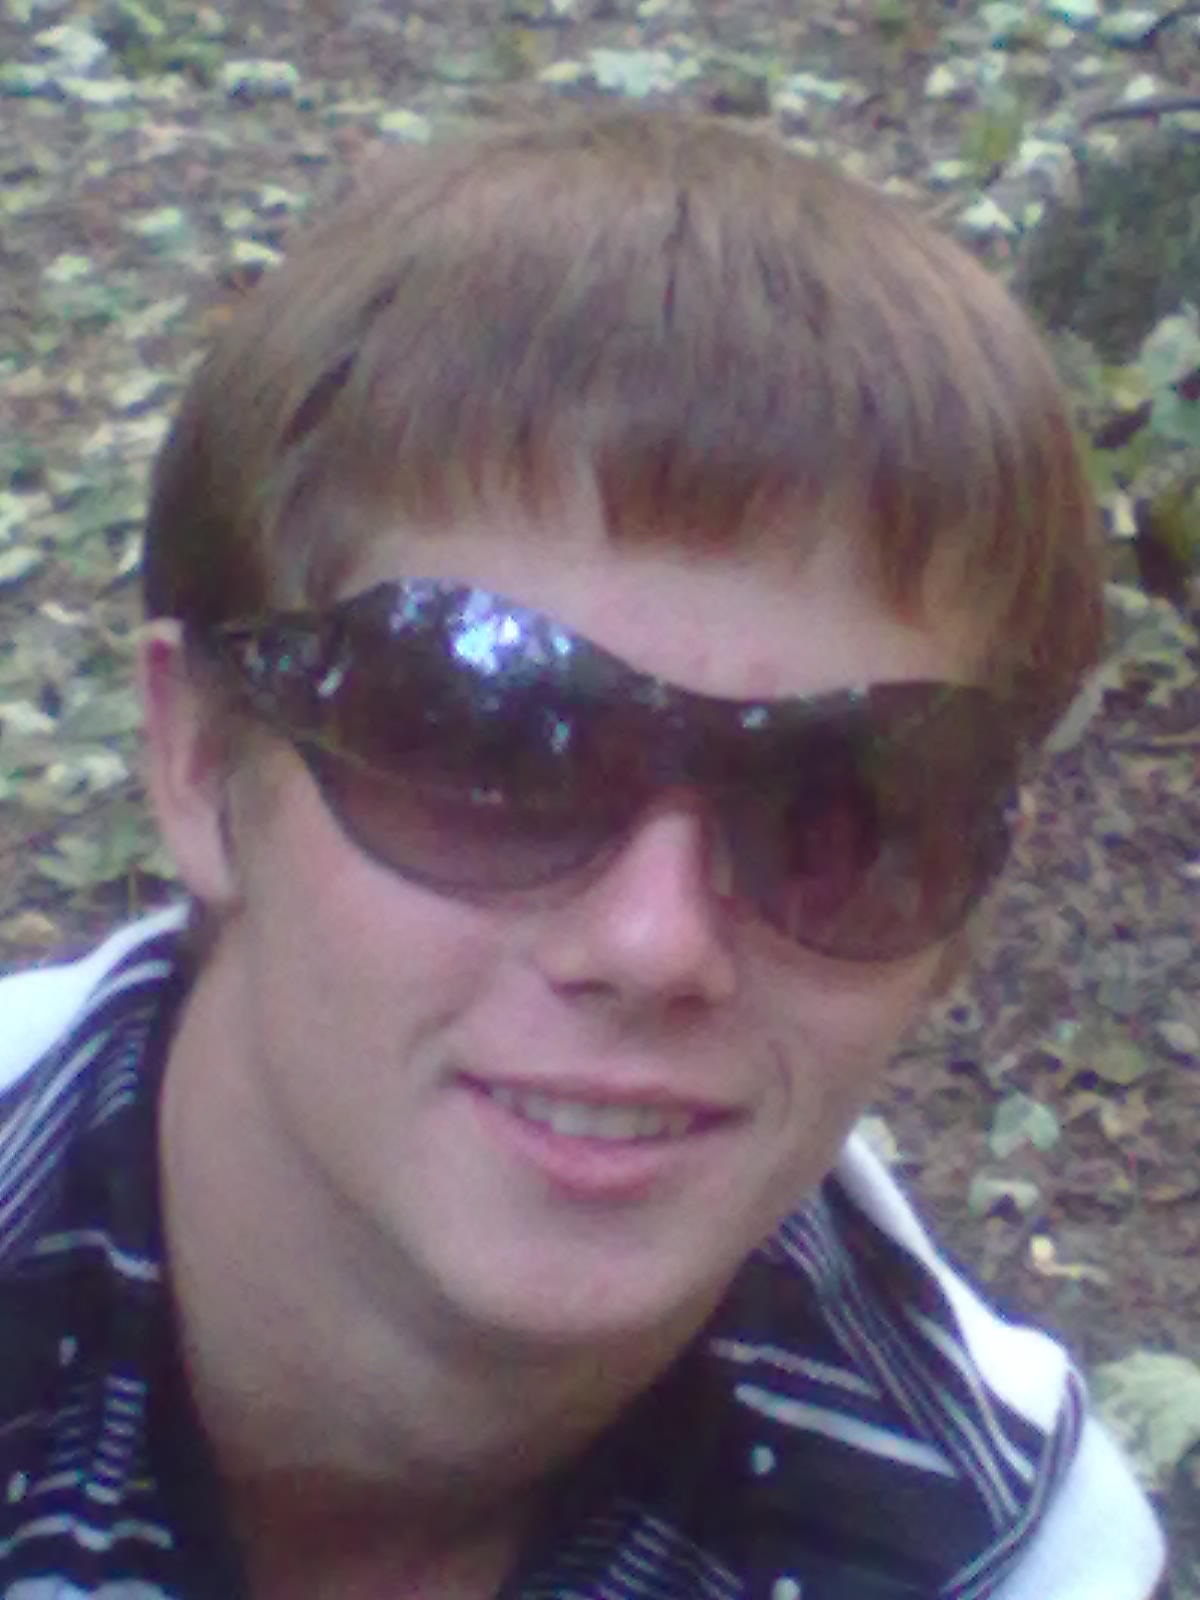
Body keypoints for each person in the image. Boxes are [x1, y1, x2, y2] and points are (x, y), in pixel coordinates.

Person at [0, 108, 1166, 1600]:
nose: (656, 942)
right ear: (200, 757)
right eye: (491, 752)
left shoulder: (999, 1560)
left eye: (841, 807)